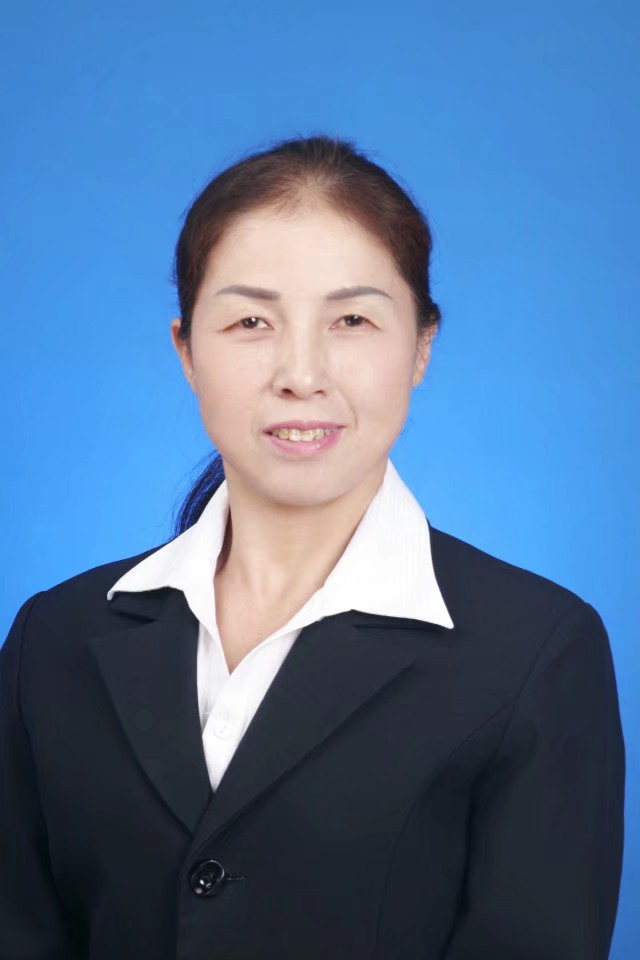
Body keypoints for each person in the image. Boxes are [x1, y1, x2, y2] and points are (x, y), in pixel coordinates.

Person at [0, 134, 625, 960]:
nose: (301, 373)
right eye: (252, 321)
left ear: (422, 346)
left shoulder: (537, 652)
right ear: (186, 350)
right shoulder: (54, 638)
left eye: (352, 320)